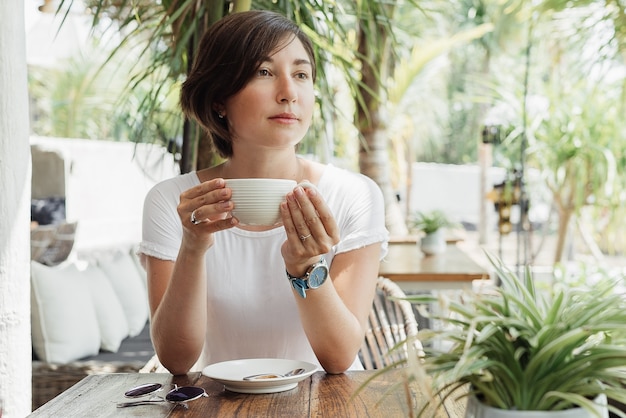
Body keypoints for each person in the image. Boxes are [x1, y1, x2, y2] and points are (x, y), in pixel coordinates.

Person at [139, 10, 388, 376]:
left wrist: (305, 268)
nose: (289, 93)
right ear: (219, 99)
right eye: (264, 72)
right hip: (216, 404)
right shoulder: (175, 202)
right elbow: (177, 360)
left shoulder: (354, 195)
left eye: (301, 75)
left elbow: (339, 359)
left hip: (328, 403)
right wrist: (193, 246)